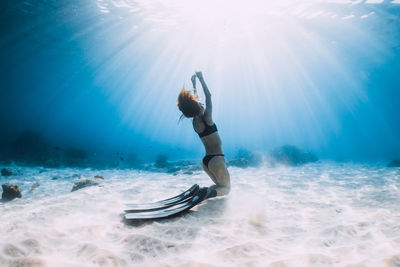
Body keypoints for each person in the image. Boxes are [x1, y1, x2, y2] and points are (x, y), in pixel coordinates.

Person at [177, 72, 231, 198]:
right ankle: (205, 194)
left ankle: (202, 192)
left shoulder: (195, 123)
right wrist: (201, 79)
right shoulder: (207, 118)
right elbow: (208, 96)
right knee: (226, 189)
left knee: (219, 186)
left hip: (206, 162)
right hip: (216, 159)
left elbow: (197, 103)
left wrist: (194, 83)